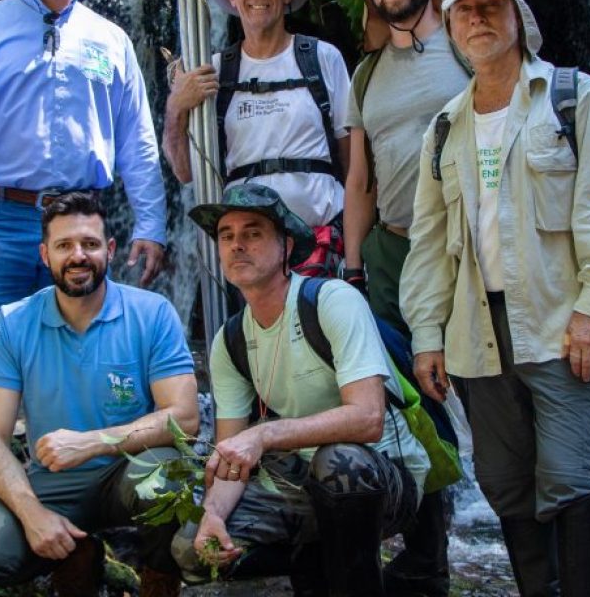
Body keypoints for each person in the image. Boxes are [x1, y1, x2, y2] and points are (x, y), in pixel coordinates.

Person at [400, 0, 590, 596]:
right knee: (505, 482)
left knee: (569, 479)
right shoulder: (444, 129)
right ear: (451, 26)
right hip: (474, 331)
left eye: (492, 6)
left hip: (559, 321)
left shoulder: (573, 97)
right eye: (464, 9)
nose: (478, 19)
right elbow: (430, 243)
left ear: (518, 16)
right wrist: (427, 333)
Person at [0, 0, 168, 521]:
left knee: (91, 363)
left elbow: (137, 140)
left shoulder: (110, 39)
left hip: (82, 224)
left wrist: (151, 224)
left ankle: (97, 516)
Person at [173, 183, 429, 596]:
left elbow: (368, 418)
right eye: (226, 236)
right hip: (301, 482)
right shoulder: (229, 340)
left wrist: (265, 433)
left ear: (286, 245)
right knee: (191, 549)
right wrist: (213, 514)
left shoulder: (331, 300)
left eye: (253, 233)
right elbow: (231, 457)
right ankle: (312, 563)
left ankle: (351, 580)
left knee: (340, 465)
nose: (237, 244)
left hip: (381, 479)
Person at [0, 192, 197, 597]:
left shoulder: (153, 312)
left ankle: (159, 579)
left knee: (169, 478)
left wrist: (92, 442)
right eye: (65, 246)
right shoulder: (12, 324)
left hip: (126, 471)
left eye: (90, 244)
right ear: (44, 255)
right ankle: (77, 554)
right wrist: (32, 515)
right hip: (54, 483)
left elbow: (185, 417)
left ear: (111, 250)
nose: (78, 256)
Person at [340, 0, 473, 597]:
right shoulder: (364, 73)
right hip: (391, 250)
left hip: (465, 249)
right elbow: (358, 181)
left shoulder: (467, 44)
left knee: (483, 385)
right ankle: (427, 553)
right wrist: (354, 269)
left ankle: (536, 550)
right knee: (414, 400)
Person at [163, 0, 351, 277]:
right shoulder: (214, 71)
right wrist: (177, 106)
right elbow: (185, 172)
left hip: (322, 234)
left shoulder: (322, 58)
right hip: (248, 250)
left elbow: (351, 159)